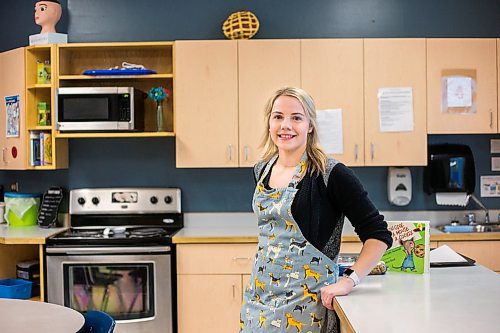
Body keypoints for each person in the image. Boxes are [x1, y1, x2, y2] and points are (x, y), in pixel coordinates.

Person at [239, 87, 393, 332]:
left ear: (310, 125)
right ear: (269, 122)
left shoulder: (330, 174)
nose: (285, 125)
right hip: (260, 297)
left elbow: (378, 234)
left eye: (296, 118)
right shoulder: (261, 170)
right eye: (278, 116)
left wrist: (349, 281)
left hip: (306, 302)